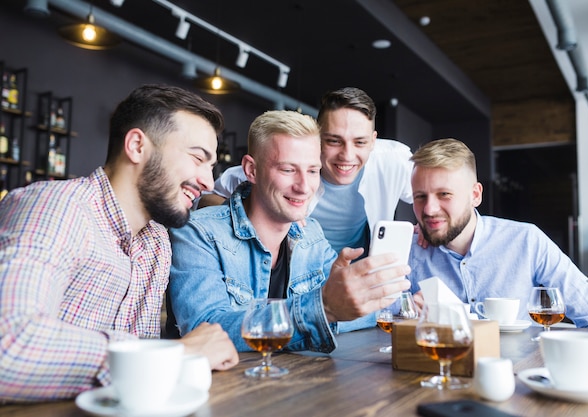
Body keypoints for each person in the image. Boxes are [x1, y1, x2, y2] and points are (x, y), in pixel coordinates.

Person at [0, 85, 239, 403]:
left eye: (211, 167)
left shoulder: (156, 242)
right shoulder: (55, 207)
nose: (209, 182)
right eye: (198, 158)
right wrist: (175, 353)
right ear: (137, 146)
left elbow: (139, 389)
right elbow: (8, 346)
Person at [167, 110, 411, 352]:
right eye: (288, 170)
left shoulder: (311, 234)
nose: (304, 187)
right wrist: (324, 310)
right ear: (251, 170)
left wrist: (344, 303)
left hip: (294, 385)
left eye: (313, 171)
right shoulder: (196, 233)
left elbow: (360, 307)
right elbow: (205, 331)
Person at [407, 138, 588, 329]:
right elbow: (382, 320)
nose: (429, 209)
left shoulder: (527, 241)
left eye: (444, 194)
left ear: (475, 195)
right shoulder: (409, 250)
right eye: (420, 197)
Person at [199, 87, 414, 256]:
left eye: (360, 142)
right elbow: (206, 199)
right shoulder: (279, 171)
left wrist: (429, 226)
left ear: (373, 141)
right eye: (333, 141)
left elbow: (439, 188)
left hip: (362, 277)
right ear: (318, 138)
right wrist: (259, 212)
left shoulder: (393, 160)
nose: (347, 155)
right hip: (301, 282)